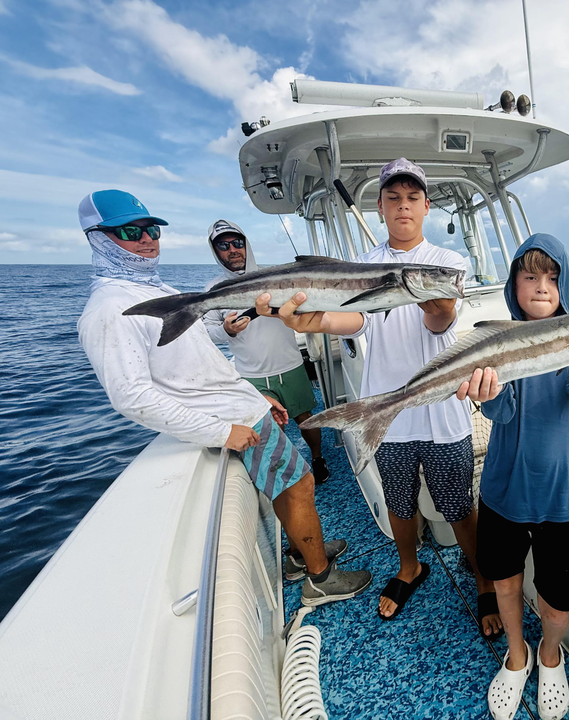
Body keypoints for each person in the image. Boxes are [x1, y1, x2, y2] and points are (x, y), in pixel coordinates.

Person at [76, 190, 371, 607]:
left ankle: (297, 556)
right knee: (301, 484)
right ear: (99, 238)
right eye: (130, 231)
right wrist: (220, 430)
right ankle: (320, 578)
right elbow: (130, 396)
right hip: (231, 421)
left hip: (245, 407)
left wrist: (253, 398)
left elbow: (201, 361)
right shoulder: (109, 309)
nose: (147, 240)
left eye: (151, 229)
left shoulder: (154, 290)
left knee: (291, 485)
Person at [253, 158, 503, 637]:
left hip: (442, 408)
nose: (403, 206)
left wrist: (439, 305)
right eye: (393, 198)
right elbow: (354, 318)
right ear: (382, 207)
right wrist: (318, 321)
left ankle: (485, 580)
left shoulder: (447, 263)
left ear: (426, 206)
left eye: (412, 198)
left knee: (458, 504)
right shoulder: (365, 266)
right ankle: (409, 567)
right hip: (386, 413)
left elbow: (441, 321)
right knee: (399, 502)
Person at [458, 234, 569, 720]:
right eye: (530, 275)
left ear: (565, 285)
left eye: (553, 277)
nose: (542, 286)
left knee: (558, 605)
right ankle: (517, 657)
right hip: (501, 494)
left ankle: (550, 655)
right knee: (506, 587)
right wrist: (487, 393)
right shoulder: (500, 340)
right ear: (514, 283)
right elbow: (503, 411)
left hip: (561, 498)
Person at [201, 220, 333, 580]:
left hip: (289, 363)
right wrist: (226, 329)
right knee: (270, 444)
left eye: (236, 242)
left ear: (246, 243)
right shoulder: (216, 288)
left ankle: (318, 459)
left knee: (307, 417)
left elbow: (302, 308)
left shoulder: (274, 276)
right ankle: (301, 550)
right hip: (251, 375)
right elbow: (207, 328)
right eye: (224, 246)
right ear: (216, 252)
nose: (232, 250)